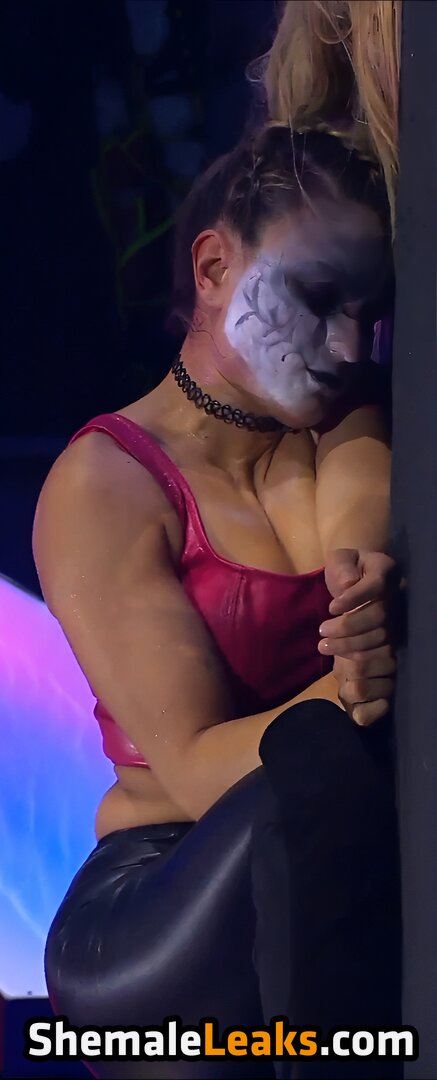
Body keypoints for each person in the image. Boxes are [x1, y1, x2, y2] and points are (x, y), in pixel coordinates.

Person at [34, 124, 401, 1080]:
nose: (344, 344)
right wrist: (354, 684)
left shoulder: (342, 418)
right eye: (315, 298)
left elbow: (356, 559)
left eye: (367, 312)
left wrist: (373, 608)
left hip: (308, 869)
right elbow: (199, 771)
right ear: (211, 269)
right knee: (320, 766)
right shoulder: (105, 483)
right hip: (149, 911)